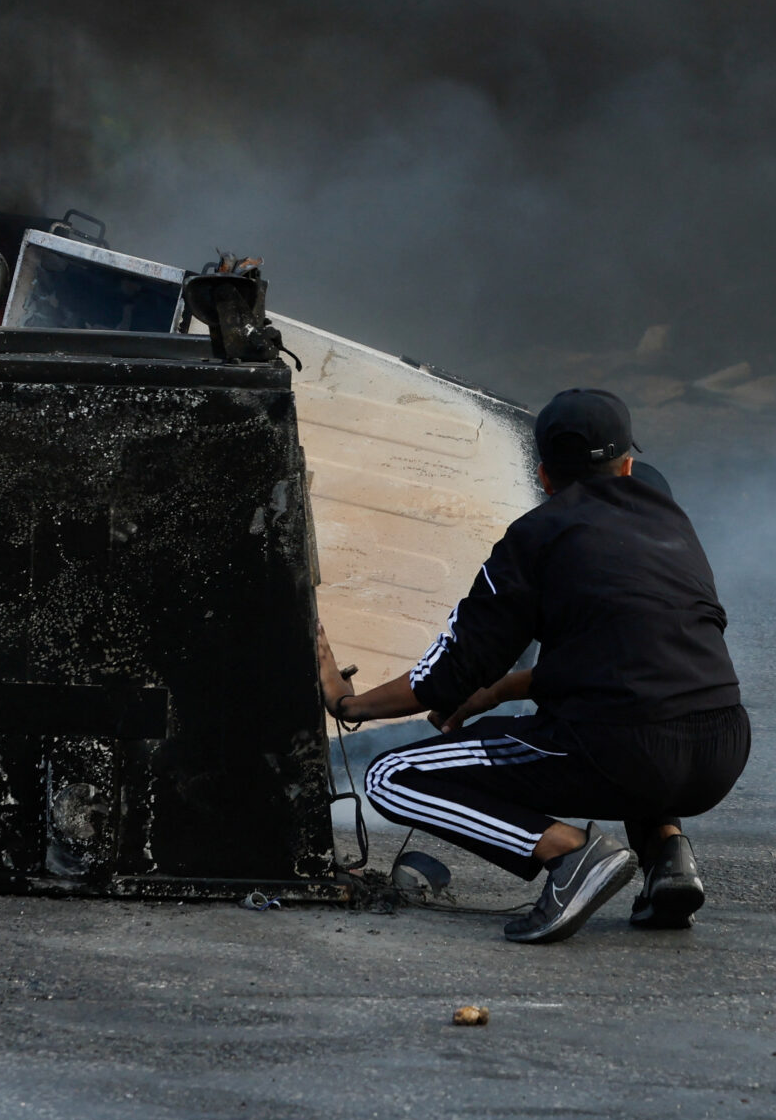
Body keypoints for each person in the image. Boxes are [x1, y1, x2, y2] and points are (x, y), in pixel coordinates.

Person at [320, 388, 749, 943]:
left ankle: (569, 854)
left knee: (393, 777)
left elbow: (446, 675)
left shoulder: (534, 538)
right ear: (627, 466)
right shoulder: (671, 521)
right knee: (641, 712)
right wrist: (500, 691)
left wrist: (347, 702)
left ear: (543, 476)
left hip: (622, 748)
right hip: (722, 751)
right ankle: (667, 855)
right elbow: (626, 658)